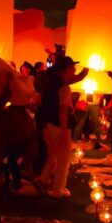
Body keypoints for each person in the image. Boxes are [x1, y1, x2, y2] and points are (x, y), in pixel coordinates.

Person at [36, 56, 87, 197]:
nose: (74, 71)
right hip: (59, 126)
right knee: (63, 159)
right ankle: (58, 189)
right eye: (72, 68)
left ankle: (42, 180)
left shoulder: (50, 84)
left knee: (54, 156)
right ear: (65, 69)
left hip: (48, 124)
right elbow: (63, 110)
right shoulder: (64, 88)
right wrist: (65, 130)